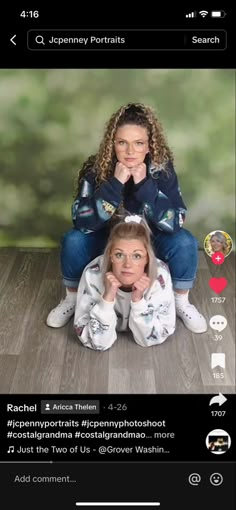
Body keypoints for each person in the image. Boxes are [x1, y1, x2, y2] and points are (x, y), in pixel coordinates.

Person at [46, 102, 207, 333]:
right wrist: (114, 185)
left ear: (149, 146)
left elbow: (176, 221)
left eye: (138, 143)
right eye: (122, 143)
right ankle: (71, 299)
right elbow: (81, 221)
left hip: (148, 243)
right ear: (113, 144)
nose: (130, 151)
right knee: (74, 239)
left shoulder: (162, 170)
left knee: (185, 241)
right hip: (108, 242)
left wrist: (145, 186)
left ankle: (181, 301)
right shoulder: (96, 168)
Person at [74, 216, 176, 350]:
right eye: (119, 255)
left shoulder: (160, 275)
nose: (127, 264)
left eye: (137, 256)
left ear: (147, 258)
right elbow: (97, 343)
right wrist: (107, 299)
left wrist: (138, 301)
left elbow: (151, 339)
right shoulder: (93, 274)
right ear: (110, 255)